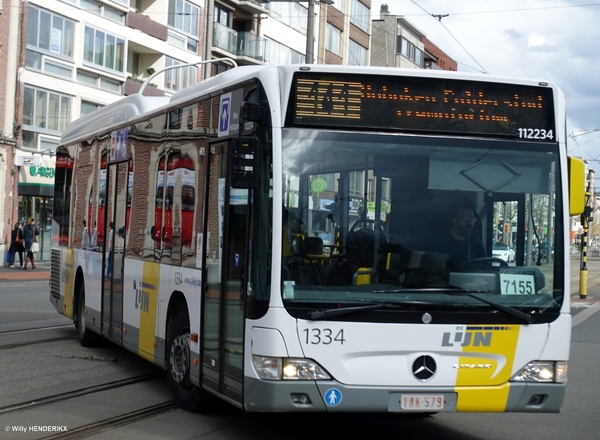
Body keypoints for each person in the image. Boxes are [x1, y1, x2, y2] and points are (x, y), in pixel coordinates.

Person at [438, 199, 486, 268]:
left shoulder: (475, 243)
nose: (470, 223)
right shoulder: (439, 243)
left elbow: (487, 266)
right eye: (465, 218)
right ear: (454, 220)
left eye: (472, 218)